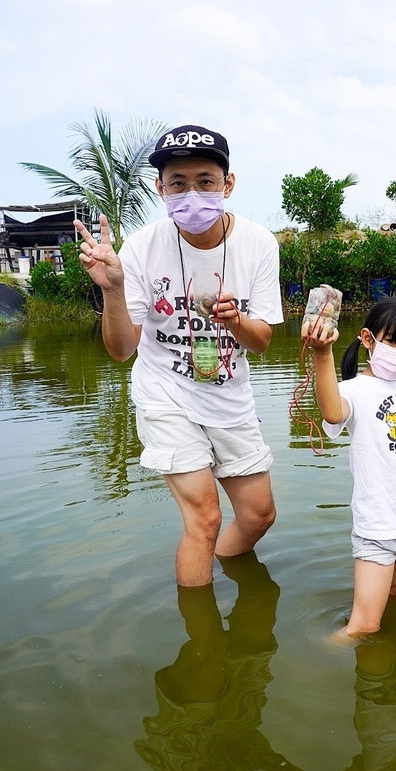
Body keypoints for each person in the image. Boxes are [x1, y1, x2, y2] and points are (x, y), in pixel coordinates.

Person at [74, 123, 283, 586]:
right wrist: (113, 289)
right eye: (178, 184)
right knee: (204, 519)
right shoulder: (144, 248)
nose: (192, 194)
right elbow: (121, 350)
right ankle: (203, 650)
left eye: (205, 181)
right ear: (160, 188)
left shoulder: (258, 244)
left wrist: (236, 322)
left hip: (228, 396)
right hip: (165, 393)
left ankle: (227, 573)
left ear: (228, 184)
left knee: (258, 516)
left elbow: (262, 341)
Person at [303, 298, 396, 640]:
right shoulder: (354, 390)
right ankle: (311, 667)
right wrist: (322, 354)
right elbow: (332, 412)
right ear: (368, 339)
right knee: (364, 626)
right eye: (393, 341)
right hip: (379, 525)